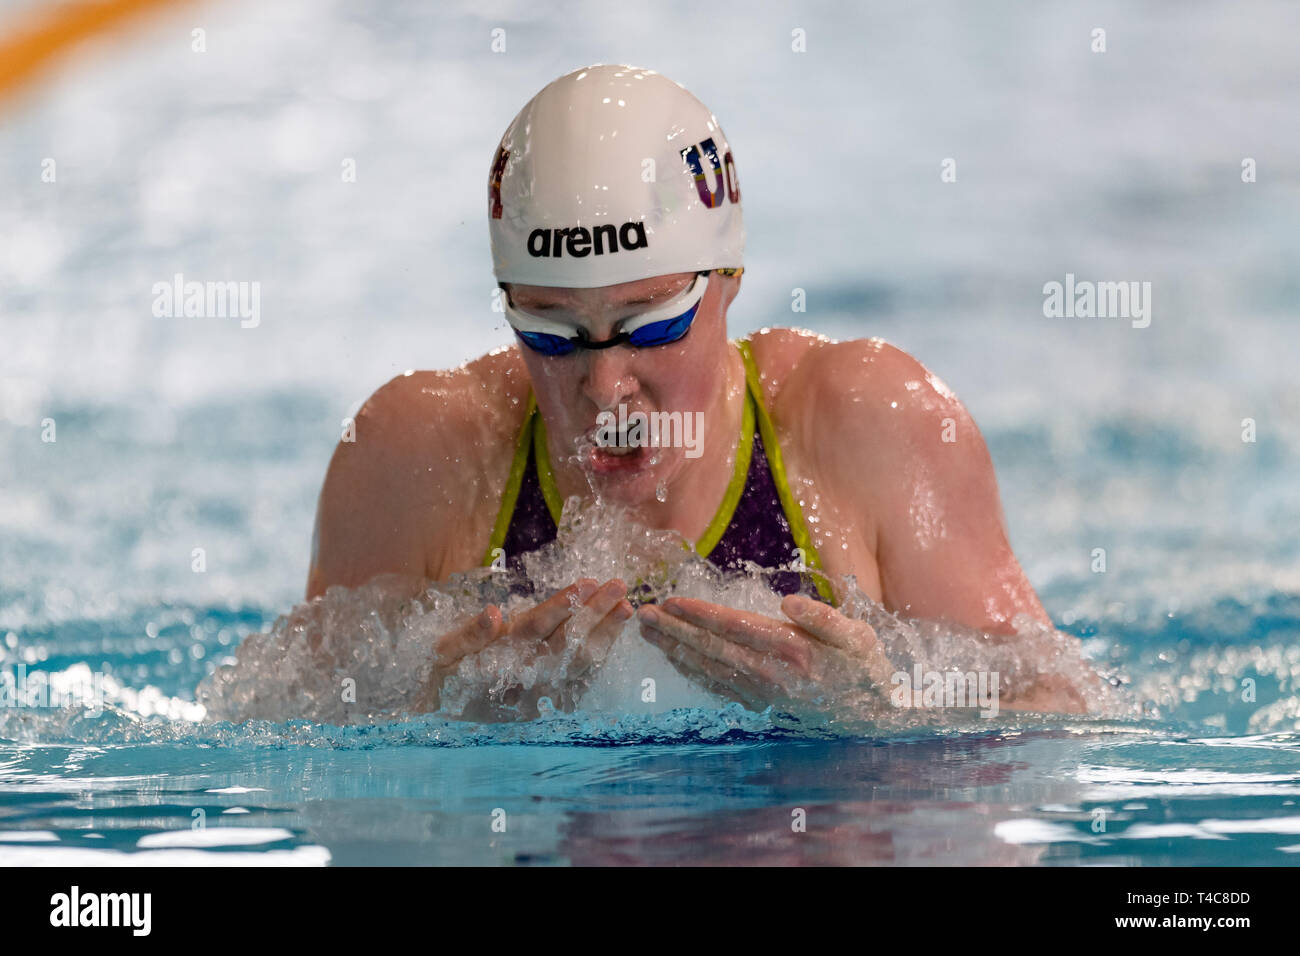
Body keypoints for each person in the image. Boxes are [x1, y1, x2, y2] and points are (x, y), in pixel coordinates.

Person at [306, 64, 1087, 718]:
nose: (606, 388)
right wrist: (443, 719)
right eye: (551, 332)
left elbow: (1067, 710)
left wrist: (876, 713)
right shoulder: (413, 459)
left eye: (650, 327)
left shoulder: (871, 426)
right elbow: (288, 724)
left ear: (731, 278)